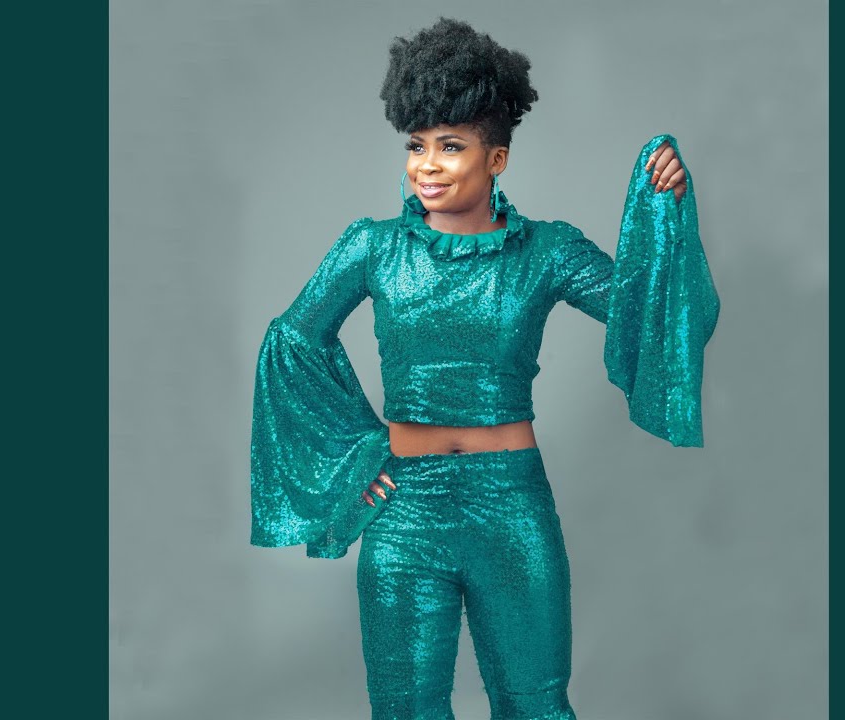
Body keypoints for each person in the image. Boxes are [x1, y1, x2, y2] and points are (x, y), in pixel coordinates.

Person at [248, 17, 720, 720]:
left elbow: (652, 317)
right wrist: (356, 457)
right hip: (404, 512)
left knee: (535, 706)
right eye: (417, 145)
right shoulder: (372, 248)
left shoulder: (548, 252)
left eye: (450, 145)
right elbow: (292, 340)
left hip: (511, 508)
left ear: (496, 158)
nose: (427, 164)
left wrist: (665, 209)